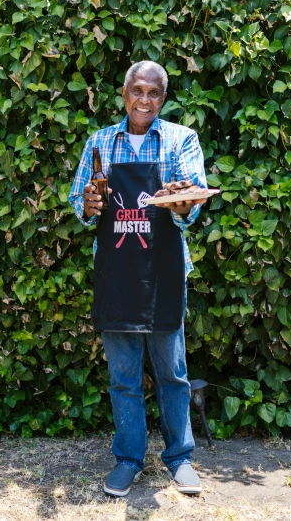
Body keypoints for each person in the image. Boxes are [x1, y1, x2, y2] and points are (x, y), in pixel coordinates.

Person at [68, 61, 208, 497]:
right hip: (116, 272)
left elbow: (194, 201)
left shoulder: (181, 140)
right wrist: (90, 204)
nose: (144, 99)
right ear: (124, 93)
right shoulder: (99, 142)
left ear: (163, 99)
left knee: (173, 373)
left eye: (154, 93)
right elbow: (79, 201)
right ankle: (128, 459)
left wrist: (180, 202)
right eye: (138, 90)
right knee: (124, 377)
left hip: (165, 272)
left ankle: (179, 458)